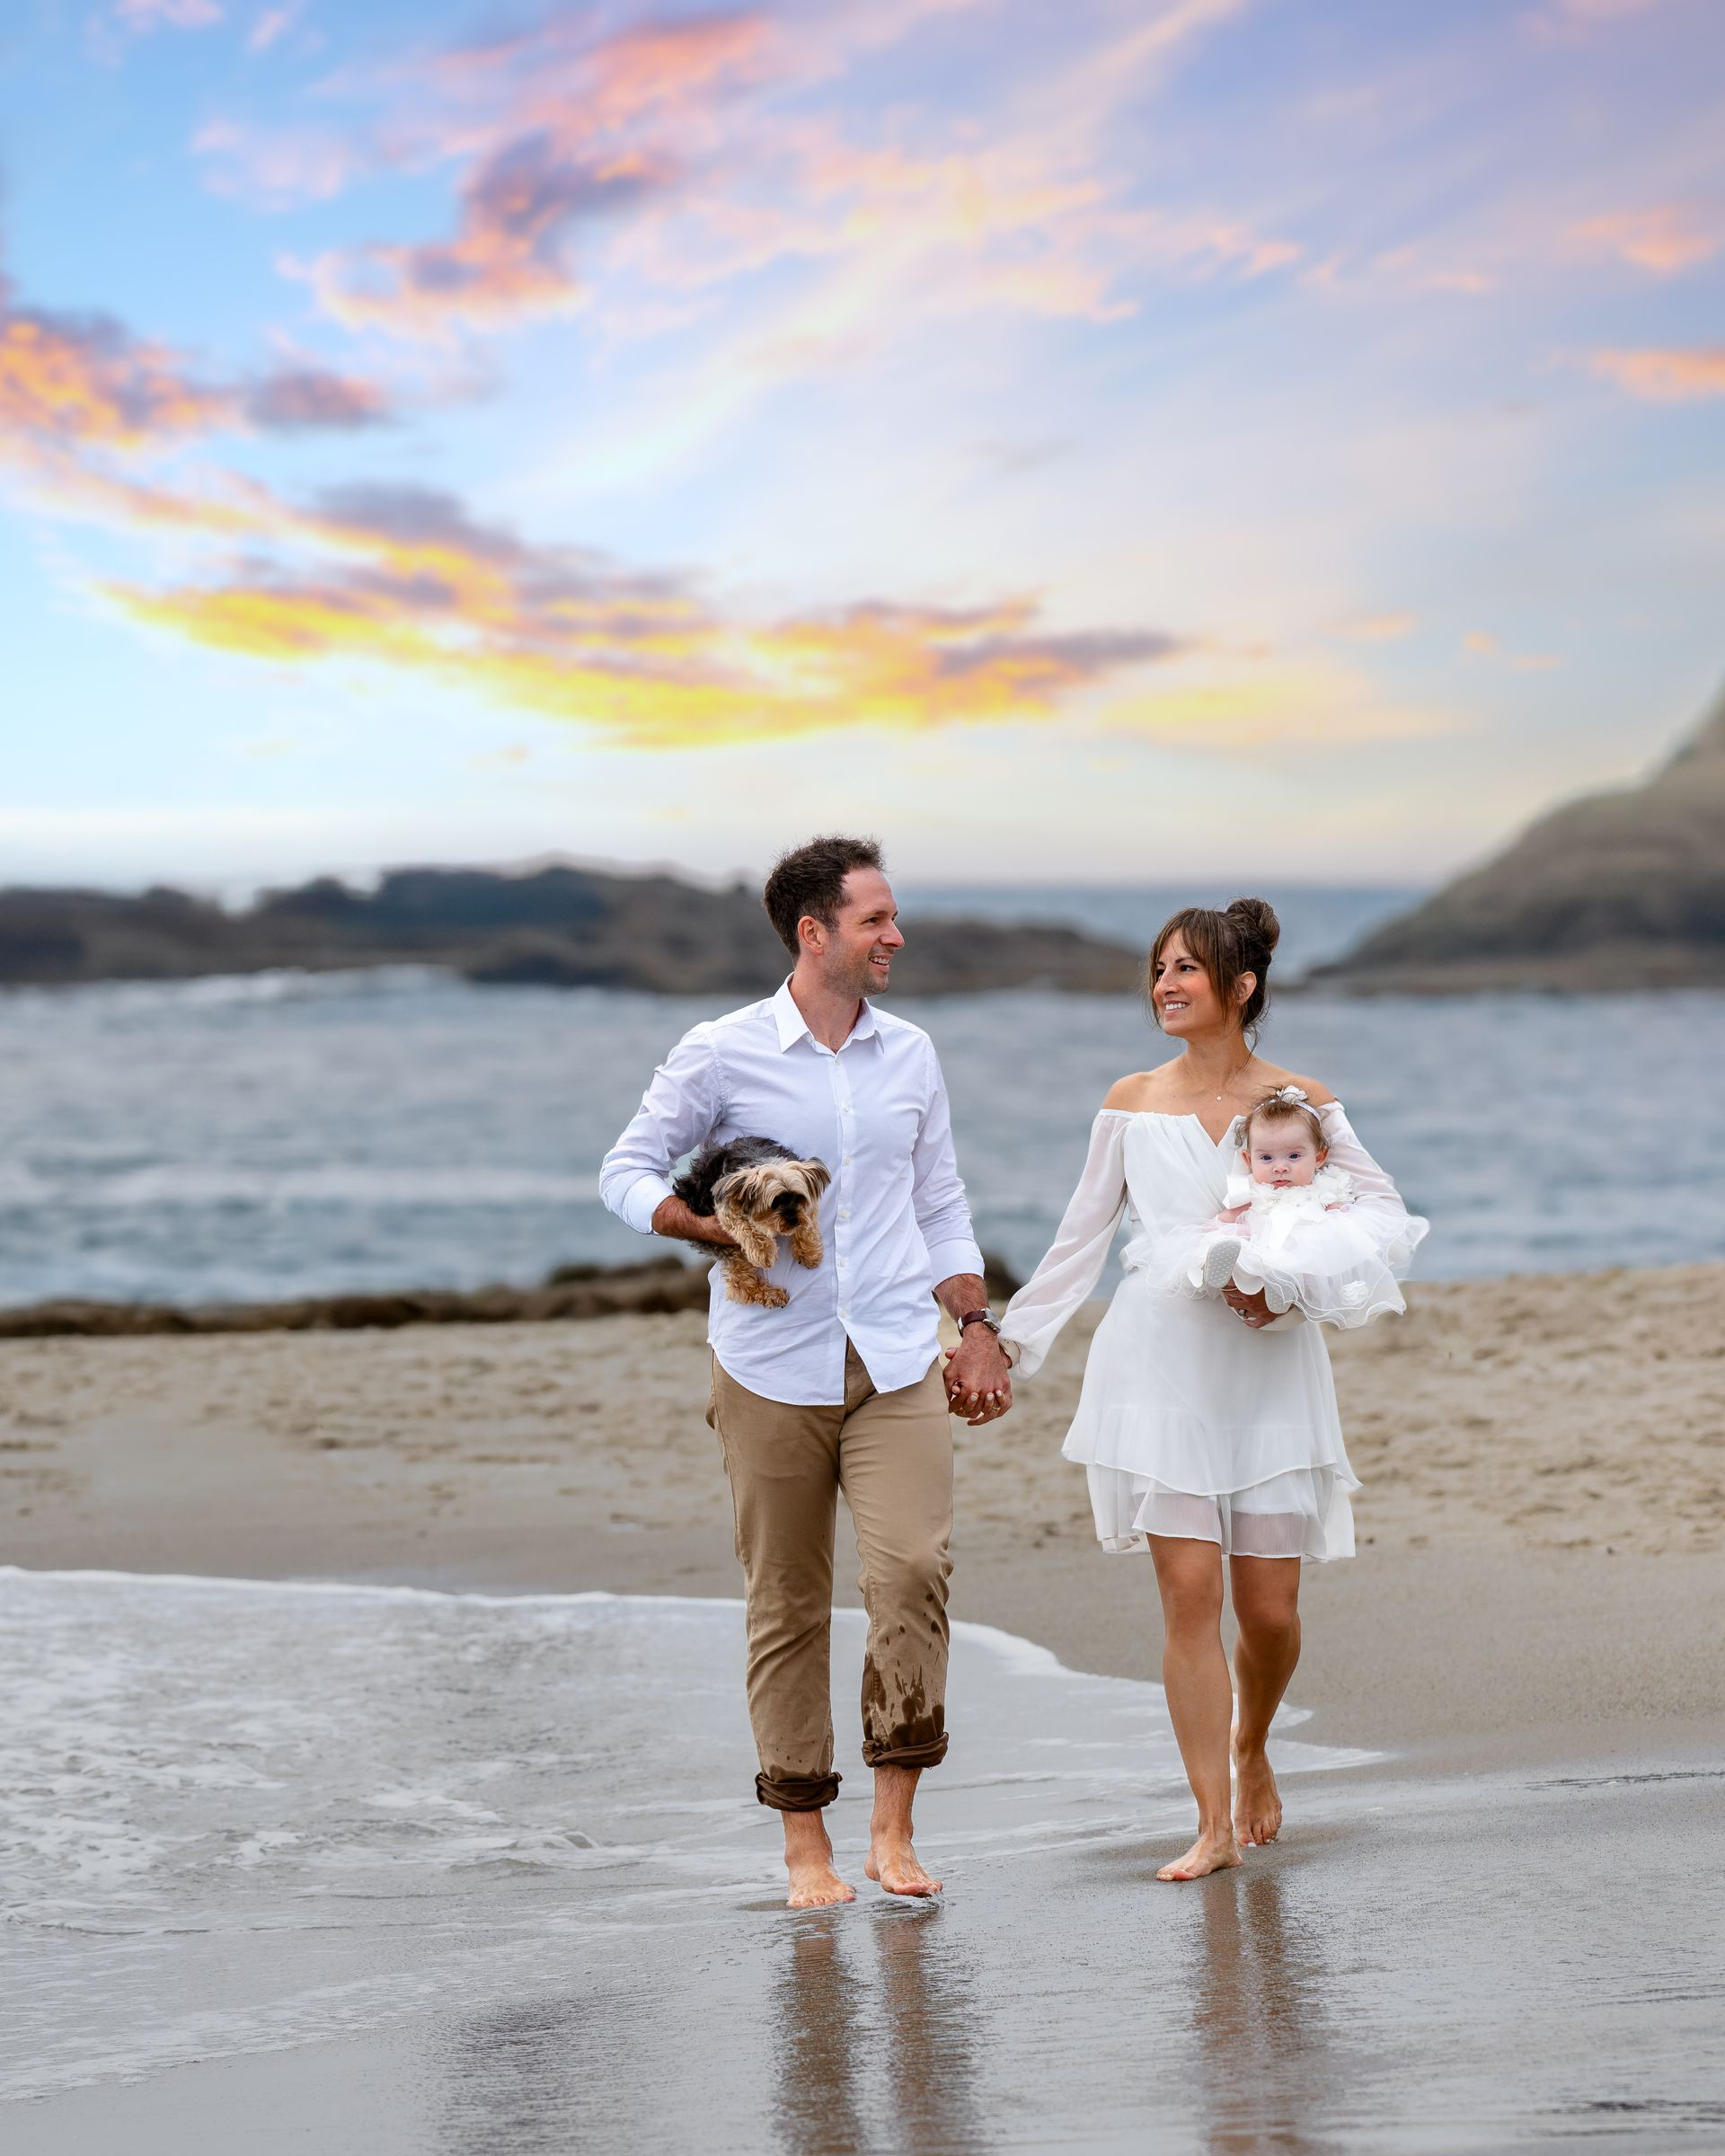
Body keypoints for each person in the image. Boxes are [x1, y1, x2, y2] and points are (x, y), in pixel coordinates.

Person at [599, 835, 1012, 1909]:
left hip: (893, 1358)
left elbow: (942, 1205)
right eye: (875, 920)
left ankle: (892, 1831)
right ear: (814, 932)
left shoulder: (911, 1053)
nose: (896, 936)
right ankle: (805, 1850)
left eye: (892, 917)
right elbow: (624, 1172)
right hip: (768, 1368)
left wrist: (975, 1326)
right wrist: (716, 1230)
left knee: (912, 1575)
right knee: (786, 1603)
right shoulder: (722, 1050)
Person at [996, 898, 1421, 1881]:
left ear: (1242, 987)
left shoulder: (1301, 1100)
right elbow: (1079, 1240)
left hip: (1270, 1375)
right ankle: (1212, 1821)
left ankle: (1253, 1742)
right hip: (1159, 1369)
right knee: (1189, 1599)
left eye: (1187, 969)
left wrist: (1295, 1289)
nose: (1165, 985)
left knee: (1268, 1614)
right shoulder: (1131, 1098)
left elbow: (1379, 1210)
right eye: (1157, 969)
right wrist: (1008, 1348)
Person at [1152, 1083, 1428, 1327]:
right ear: (1248, 1161)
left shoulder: (1324, 1191)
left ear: (1319, 1158)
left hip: (1300, 1264)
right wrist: (1216, 1230)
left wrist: (1339, 1218)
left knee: (1310, 1262)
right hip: (1257, 1251)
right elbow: (1226, 1219)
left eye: (1294, 1156)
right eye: (1267, 1158)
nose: (1280, 1167)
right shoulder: (1251, 1194)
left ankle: (1282, 1295)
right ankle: (1220, 1272)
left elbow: (1342, 1225)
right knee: (1231, 1246)